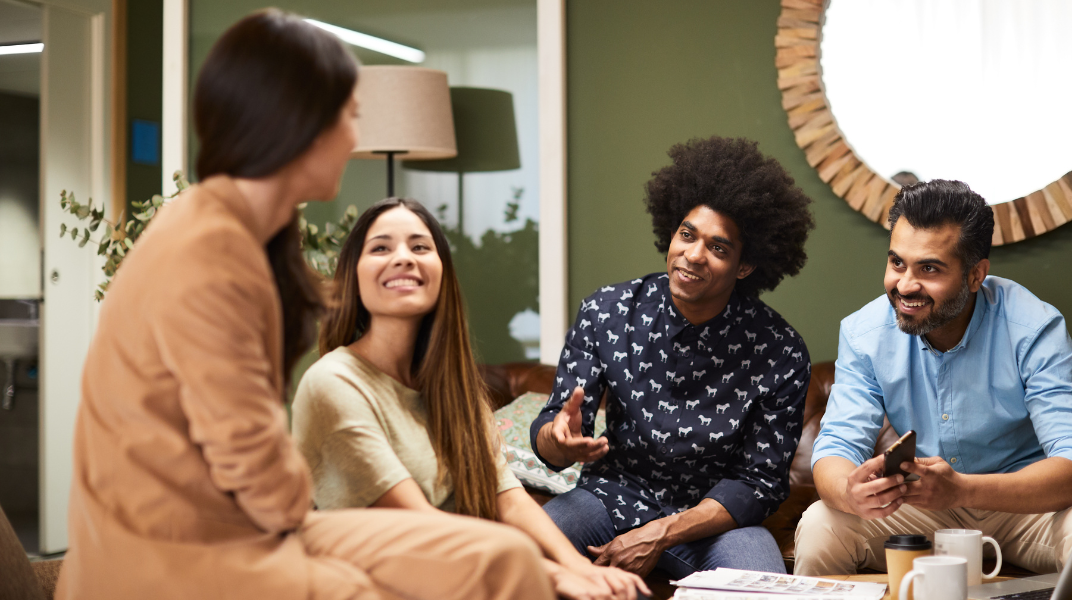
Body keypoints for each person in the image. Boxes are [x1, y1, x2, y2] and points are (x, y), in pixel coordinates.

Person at [55, 11, 552, 600]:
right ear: (297, 122)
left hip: (253, 529)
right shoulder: (209, 249)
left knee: (503, 558)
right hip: (175, 550)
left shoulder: (251, 234)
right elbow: (255, 468)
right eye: (347, 114)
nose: (352, 135)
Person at [291, 198, 651, 600]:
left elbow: (507, 495)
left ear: (442, 273)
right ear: (353, 276)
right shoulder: (333, 382)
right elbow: (415, 521)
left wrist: (580, 568)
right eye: (381, 248)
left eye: (420, 247)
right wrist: (548, 574)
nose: (403, 258)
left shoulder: (455, 389)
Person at [531, 136, 817, 578]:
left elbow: (758, 483)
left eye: (718, 248)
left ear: (744, 266)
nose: (693, 255)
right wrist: (558, 439)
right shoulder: (607, 311)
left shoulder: (779, 350)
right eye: (687, 235)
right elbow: (556, 439)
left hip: (714, 524)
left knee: (762, 587)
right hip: (608, 499)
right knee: (526, 553)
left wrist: (663, 532)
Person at [794, 180, 1072, 576]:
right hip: (921, 510)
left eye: (929, 269)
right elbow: (836, 446)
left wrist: (961, 489)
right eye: (896, 263)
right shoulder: (864, 334)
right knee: (823, 523)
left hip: (1024, 508)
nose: (905, 285)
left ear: (976, 275)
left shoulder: (1034, 327)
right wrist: (849, 493)